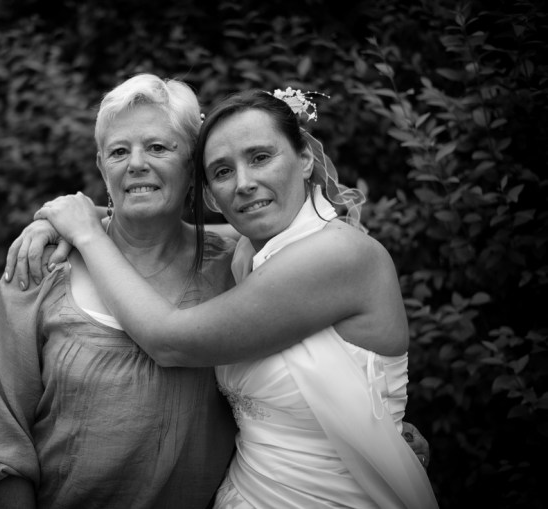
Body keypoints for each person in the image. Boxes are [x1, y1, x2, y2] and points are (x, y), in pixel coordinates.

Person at [33, 88, 439, 508]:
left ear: (305, 159)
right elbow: (160, 231)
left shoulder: (338, 255)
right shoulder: (252, 248)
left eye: (260, 157)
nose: (243, 183)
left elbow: (169, 341)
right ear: (211, 193)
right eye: (223, 171)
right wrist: (70, 221)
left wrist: (86, 234)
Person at [0, 74, 239, 508]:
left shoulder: (236, 264)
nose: (136, 164)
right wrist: (66, 223)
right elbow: (0, 440)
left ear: (193, 163)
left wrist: (82, 222)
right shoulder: (39, 266)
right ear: (102, 168)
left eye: (157, 147)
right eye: (119, 152)